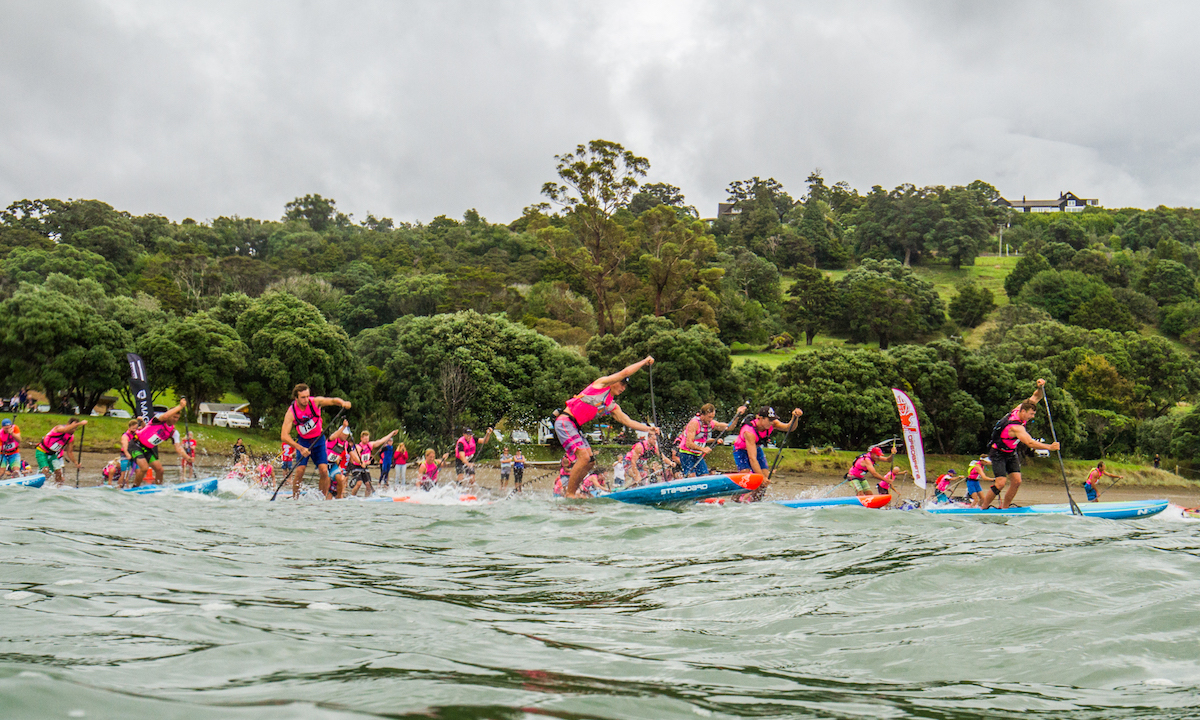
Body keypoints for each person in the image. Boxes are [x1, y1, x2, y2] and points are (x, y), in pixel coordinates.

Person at [555, 356, 659, 498]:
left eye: (625, 386)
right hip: (565, 421)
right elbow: (625, 372)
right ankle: (570, 494)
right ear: (613, 381)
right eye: (621, 384)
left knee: (590, 462)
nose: (623, 388)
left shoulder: (611, 405)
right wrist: (644, 361)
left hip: (575, 427)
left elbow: (627, 421)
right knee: (584, 458)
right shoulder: (601, 385)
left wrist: (649, 429)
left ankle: (574, 491)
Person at [977, 378, 1060, 510]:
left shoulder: (1023, 407)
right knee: (1000, 483)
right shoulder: (1016, 427)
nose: (1032, 416)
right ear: (1023, 412)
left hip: (1010, 452)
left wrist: (1040, 387)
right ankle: (983, 509)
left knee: (1017, 481)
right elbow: (1030, 443)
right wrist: (1050, 447)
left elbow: (1037, 396)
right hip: (998, 452)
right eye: (1031, 414)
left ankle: (1004, 508)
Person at [280, 383, 352, 500]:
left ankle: (321, 499)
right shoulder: (291, 413)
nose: (306, 399)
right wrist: (300, 448)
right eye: (303, 397)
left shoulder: (315, 402)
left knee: (324, 470)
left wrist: (343, 403)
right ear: (296, 398)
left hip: (319, 440)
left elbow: (333, 400)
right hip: (303, 442)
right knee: (300, 471)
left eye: (307, 396)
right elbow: (284, 436)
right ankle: (295, 499)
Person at [732, 406, 803, 501]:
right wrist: (760, 477)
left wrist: (795, 418)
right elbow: (752, 458)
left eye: (772, 420)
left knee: (765, 478)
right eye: (769, 420)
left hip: (756, 448)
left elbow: (789, 428)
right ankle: (735, 500)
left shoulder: (772, 423)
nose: (771, 422)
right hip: (740, 450)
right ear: (760, 418)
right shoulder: (749, 431)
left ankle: (754, 502)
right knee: (746, 477)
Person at [676, 404, 747, 478]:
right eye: (709, 417)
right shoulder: (694, 423)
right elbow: (689, 444)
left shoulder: (711, 423)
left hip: (697, 455)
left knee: (705, 476)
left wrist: (737, 415)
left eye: (712, 417)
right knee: (692, 476)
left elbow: (729, 427)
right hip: (686, 454)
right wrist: (703, 449)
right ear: (702, 415)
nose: (711, 420)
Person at [130, 400, 187, 487]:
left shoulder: (174, 432)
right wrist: (180, 406)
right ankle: (135, 487)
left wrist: (187, 457)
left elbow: (178, 447)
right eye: (174, 417)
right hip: (136, 444)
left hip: (147, 449)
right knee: (144, 468)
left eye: (177, 418)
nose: (175, 419)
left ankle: (158, 488)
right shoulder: (158, 419)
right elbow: (166, 415)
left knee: (160, 470)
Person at [35, 417, 87, 486]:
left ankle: (57, 487)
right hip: (41, 451)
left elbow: (70, 452)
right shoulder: (59, 428)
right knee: (46, 470)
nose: (73, 430)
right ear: (68, 424)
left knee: (59, 473)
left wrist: (75, 462)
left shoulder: (70, 437)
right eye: (73, 427)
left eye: (75, 428)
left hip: (52, 454)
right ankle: (39, 483)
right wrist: (80, 423)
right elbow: (65, 429)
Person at [348, 428, 399, 497]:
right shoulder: (358, 447)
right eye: (365, 439)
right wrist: (361, 463)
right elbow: (355, 457)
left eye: (367, 439)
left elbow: (382, 440)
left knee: (368, 485)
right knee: (359, 483)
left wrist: (392, 433)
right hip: (357, 466)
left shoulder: (370, 445)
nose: (366, 440)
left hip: (364, 467)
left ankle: (366, 499)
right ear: (361, 438)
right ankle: (352, 496)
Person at [324, 420, 352, 499]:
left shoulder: (346, 443)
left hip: (333, 464)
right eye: (344, 435)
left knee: (340, 479)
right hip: (324, 463)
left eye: (347, 435)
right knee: (327, 479)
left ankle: (339, 497)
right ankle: (325, 497)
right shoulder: (333, 439)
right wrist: (343, 426)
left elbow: (353, 454)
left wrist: (360, 462)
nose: (345, 437)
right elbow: (333, 436)